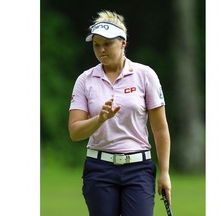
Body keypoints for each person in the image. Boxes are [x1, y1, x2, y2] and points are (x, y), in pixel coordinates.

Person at [68, 10, 171, 216]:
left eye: (107, 44)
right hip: (99, 169)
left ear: (123, 43)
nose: (101, 50)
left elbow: (160, 129)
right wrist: (99, 119)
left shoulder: (145, 75)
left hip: (138, 168)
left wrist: (165, 173)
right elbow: (75, 132)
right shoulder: (85, 80)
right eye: (96, 45)